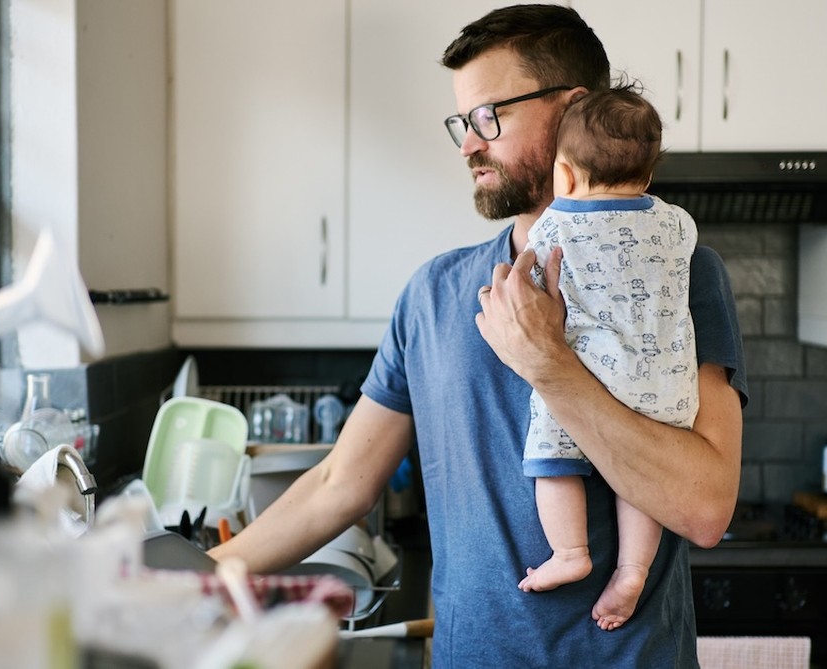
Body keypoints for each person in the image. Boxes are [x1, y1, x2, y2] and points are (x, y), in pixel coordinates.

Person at [209, 5, 746, 666]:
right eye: (462, 122)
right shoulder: (433, 295)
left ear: (572, 109)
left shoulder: (680, 273)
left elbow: (705, 509)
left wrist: (552, 367)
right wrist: (202, 569)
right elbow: (339, 485)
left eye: (490, 116)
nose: (469, 143)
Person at [516, 84, 699, 635]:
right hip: (665, 385)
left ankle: (571, 551)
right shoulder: (677, 224)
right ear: (646, 176)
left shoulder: (554, 226)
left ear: (565, 176)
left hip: (585, 381)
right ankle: (633, 568)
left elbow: (529, 289)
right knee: (639, 481)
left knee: (551, 459)